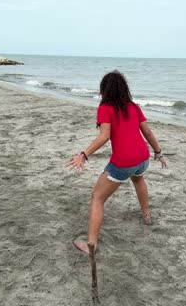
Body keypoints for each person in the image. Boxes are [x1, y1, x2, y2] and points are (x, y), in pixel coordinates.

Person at [66, 70, 166, 254]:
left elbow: (104, 136)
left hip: (124, 162)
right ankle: (147, 216)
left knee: (97, 197)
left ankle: (91, 245)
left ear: (104, 89)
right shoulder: (133, 106)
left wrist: (83, 154)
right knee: (138, 178)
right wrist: (158, 152)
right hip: (143, 158)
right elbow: (148, 133)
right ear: (124, 88)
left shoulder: (105, 108)